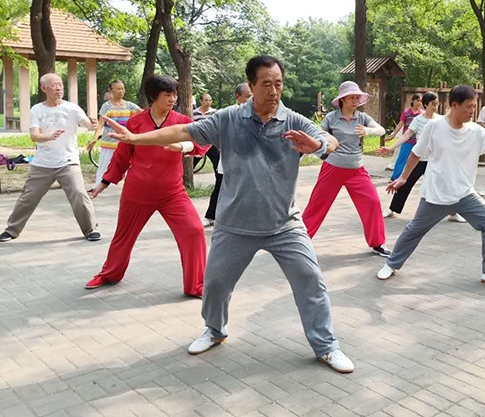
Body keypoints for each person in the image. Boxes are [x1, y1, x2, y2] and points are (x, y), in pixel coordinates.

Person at [102, 55, 354, 373]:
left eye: (278, 83)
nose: (274, 91)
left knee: (311, 281)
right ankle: (214, 330)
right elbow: (182, 133)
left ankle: (326, 346)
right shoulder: (228, 119)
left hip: (284, 225)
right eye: (266, 84)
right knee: (216, 283)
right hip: (234, 225)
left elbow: (330, 141)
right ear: (251, 85)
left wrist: (315, 144)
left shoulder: (292, 121)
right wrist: (136, 138)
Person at [376, 85, 485, 286]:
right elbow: (416, 153)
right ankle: (391, 264)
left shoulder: (475, 131)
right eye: (468, 107)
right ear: (454, 105)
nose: (472, 111)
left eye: (474, 107)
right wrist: (404, 178)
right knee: (414, 230)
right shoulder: (434, 127)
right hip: (436, 194)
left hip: (465, 195)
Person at [85, 75, 210, 296]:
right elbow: (122, 156)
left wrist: (181, 145)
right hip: (137, 192)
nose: (173, 99)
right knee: (123, 236)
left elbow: (202, 143)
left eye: (174, 94)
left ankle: (196, 285)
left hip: (172, 192)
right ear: (153, 97)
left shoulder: (182, 121)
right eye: (167, 94)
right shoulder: (136, 122)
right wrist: (104, 182)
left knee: (194, 230)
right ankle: (109, 274)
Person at [0, 74, 101, 243]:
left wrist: (94, 125)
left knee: (79, 193)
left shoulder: (72, 108)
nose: (59, 87)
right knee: (28, 197)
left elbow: (88, 125)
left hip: (68, 161)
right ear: (44, 88)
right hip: (42, 163)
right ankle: (11, 230)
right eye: (54, 85)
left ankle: (91, 229)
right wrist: (49, 137)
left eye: (60, 84)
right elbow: (34, 135)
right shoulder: (37, 109)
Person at [302, 81, 389, 257]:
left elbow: (381, 130)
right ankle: (300, 242)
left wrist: (367, 131)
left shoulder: (362, 118)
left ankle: (378, 243)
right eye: (352, 97)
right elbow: (318, 134)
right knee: (316, 205)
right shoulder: (331, 118)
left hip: (357, 169)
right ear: (343, 99)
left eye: (358, 97)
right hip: (333, 168)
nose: (355, 100)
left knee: (373, 202)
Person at [379, 92, 440, 217]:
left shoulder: (440, 120)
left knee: (444, 185)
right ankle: (392, 209)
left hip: (435, 161)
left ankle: (453, 212)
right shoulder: (418, 120)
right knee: (404, 183)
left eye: (437, 104)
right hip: (418, 159)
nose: (436, 107)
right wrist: (391, 148)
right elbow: (406, 135)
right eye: (433, 104)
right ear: (426, 104)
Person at [206, 84, 253, 224]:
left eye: (252, 96)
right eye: (247, 96)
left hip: (250, 163)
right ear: (238, 97)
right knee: (221, 188)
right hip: (229, 160)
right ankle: (212, 216)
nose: (250, 99)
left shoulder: (259, 114)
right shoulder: (228, 115)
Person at [88, 80, 141, 191]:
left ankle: (133, 187)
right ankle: (97, 186)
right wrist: (94, 139)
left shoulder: (129, 106)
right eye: (118, 89)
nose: (121, 91)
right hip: (109, 141)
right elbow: (101, 123)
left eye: (122, 88)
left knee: (130, 166)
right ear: (111, 91)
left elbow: (144, 113)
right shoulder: (106, 106)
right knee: (104, 165)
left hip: (125, 141)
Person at [192, 93, 220, 226]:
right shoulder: (194, 113)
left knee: (220, 176)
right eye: (206, 100)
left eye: (210, 100)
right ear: (201, 101)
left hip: (212, 145)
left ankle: (212, 216)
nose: (208, 102)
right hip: (197, 145)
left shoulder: (216, 113)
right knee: (183, 169)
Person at [387, 94, 422, 180]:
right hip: (407, 141)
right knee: (401, 160)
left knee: (418, 162)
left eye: (421, 101)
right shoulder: (406, 113)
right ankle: (394, 177)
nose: (419, 103)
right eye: (417, 100)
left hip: (418, 142)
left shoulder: (422, 114)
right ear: (412, 101)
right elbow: (399, 125)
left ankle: (410, 178)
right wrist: (393, 135)